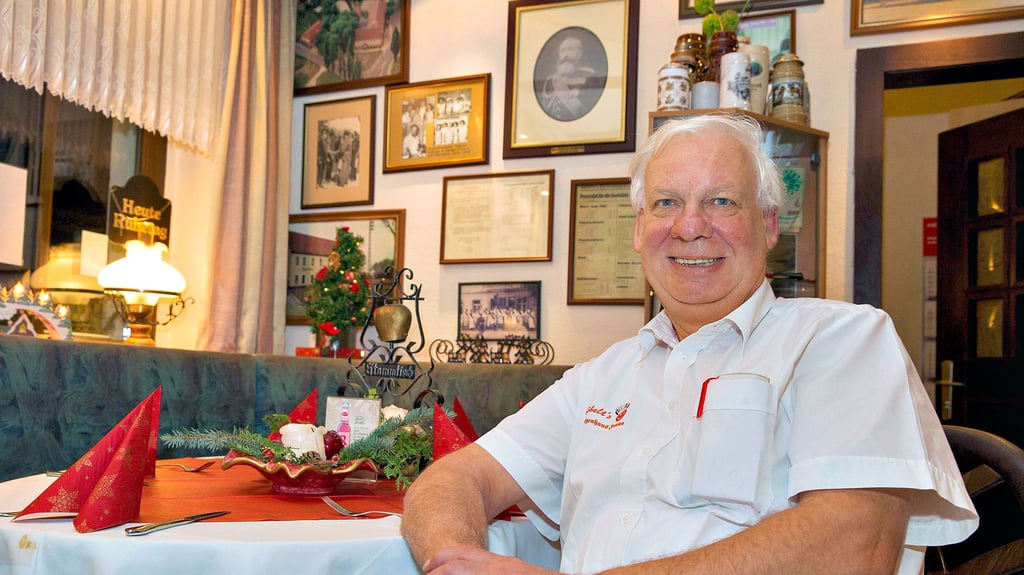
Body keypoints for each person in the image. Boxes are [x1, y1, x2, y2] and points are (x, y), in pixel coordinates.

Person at [401, 114, 978, 574]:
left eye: (722, 200)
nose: (690, 226)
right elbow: (453, 480)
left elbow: (854, 546)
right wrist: (457, 559)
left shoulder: (843, 339)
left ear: (769, 224)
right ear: (638, 228)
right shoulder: (603, 376)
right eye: (667, 203)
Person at [539, 35, 601, 122]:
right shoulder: (550, 81)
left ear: (579, 54)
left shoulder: (589, 77)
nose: (565, 55)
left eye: (570, 49)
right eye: (563, 51)